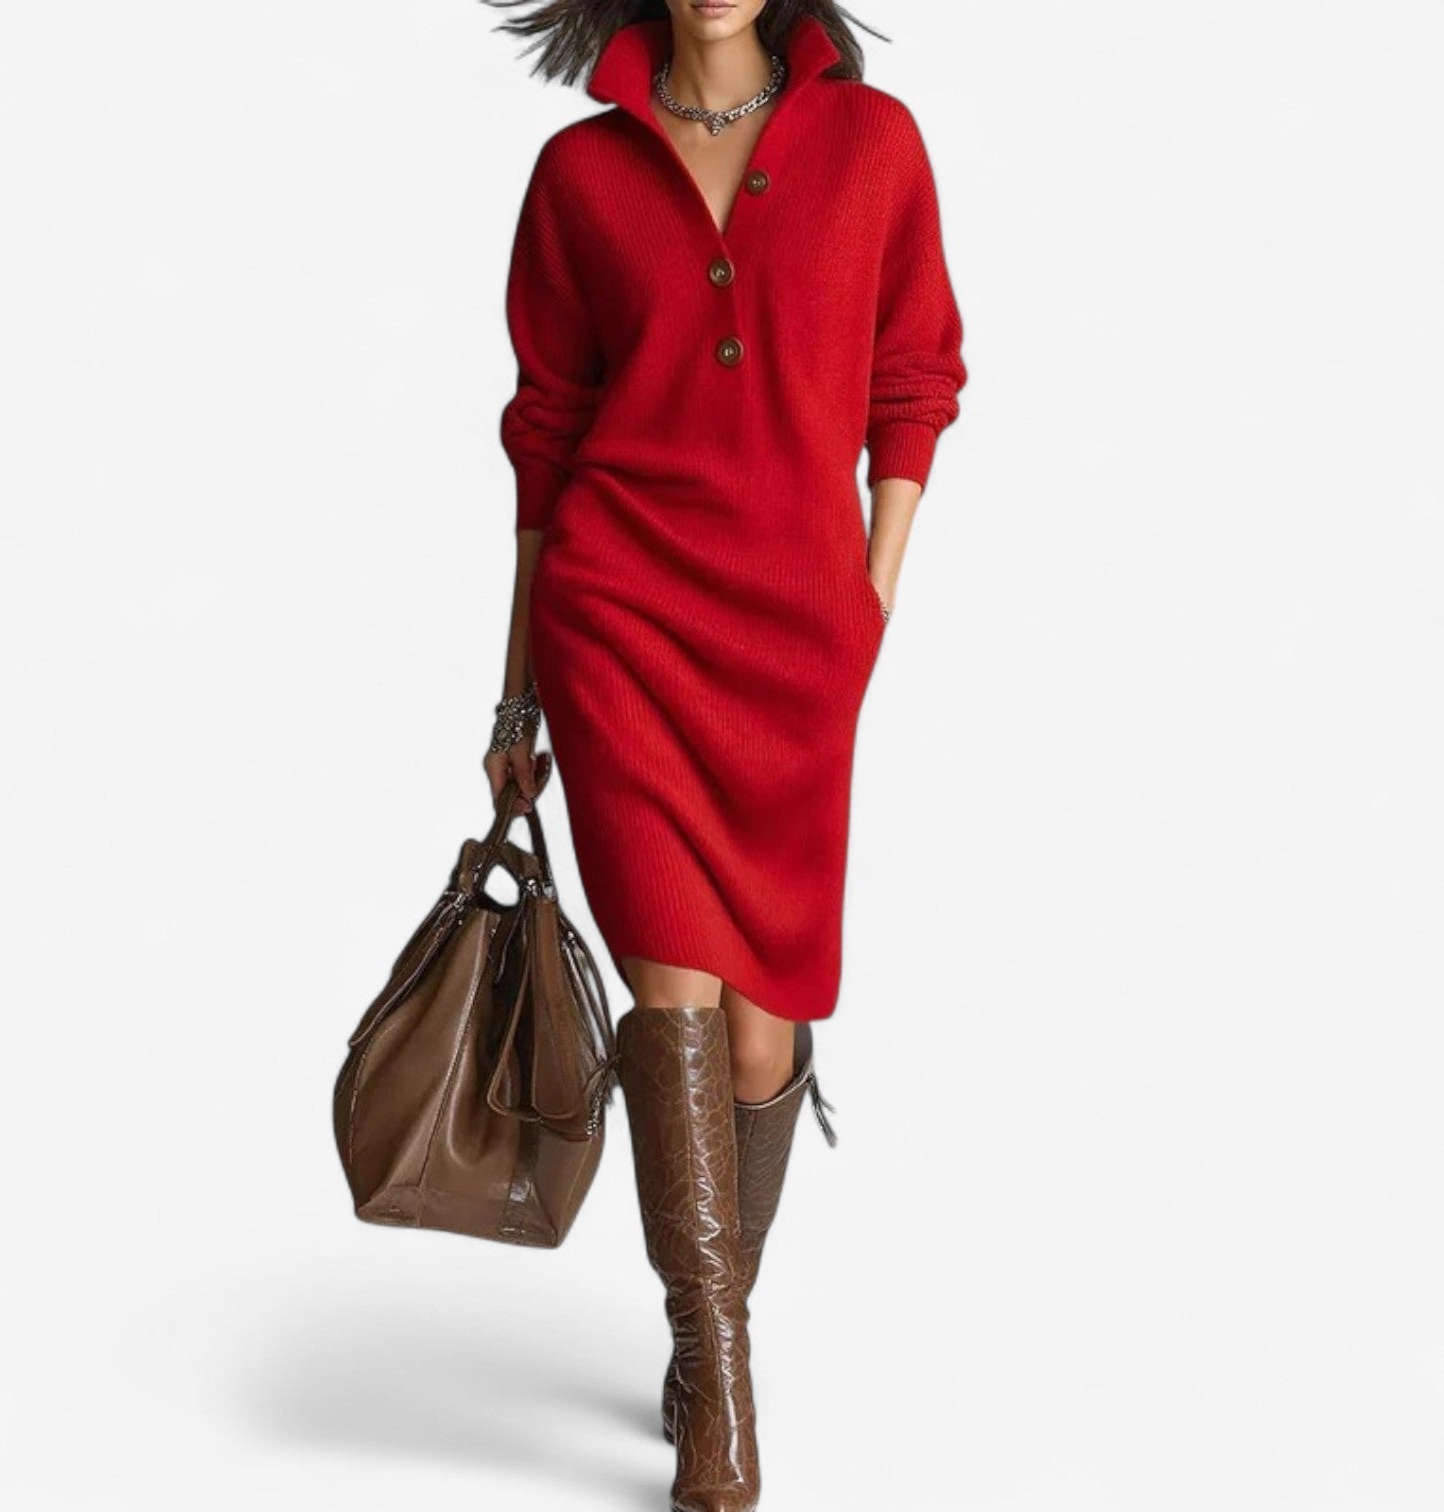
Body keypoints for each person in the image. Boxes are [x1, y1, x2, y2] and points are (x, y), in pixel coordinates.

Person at [482, 2, 965, 1506]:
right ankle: (720, 1391)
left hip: (795, 646)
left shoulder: (874, 147)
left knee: (760, 1043)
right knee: (675, 999)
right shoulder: (579, 177)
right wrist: (517, 697)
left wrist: (866, 604)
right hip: (619, 620)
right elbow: (546, 438)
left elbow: (914, 382)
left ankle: (707, 1340)